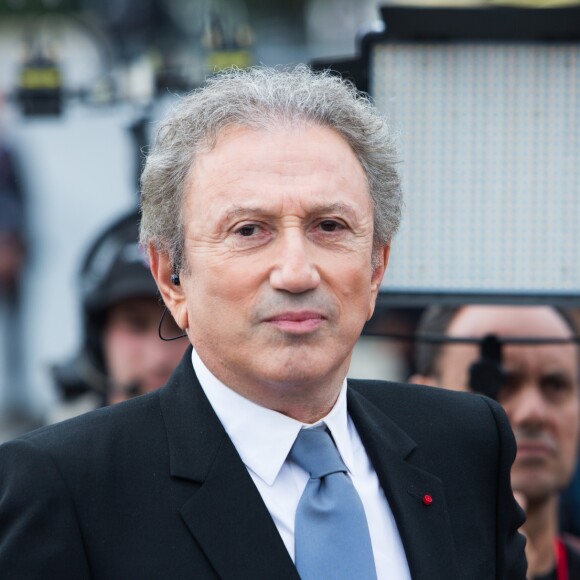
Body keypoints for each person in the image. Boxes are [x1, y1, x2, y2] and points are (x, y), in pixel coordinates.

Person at [0, 65, 525, 578]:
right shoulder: (65, 486)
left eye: (329, 225)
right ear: (171, 277)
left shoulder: (467, 443)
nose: (296, 272)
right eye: (249, 230)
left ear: (376, 267)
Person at [411, 304, 580, 579]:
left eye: (555, 385)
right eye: (497, 384)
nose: (532, 413)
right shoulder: (383, 564)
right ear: (421, 402)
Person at [51, 209, 188, 411]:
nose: (157, 358)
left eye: (179, 326)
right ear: (97, 337)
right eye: (136, 325)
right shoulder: (51, 441)